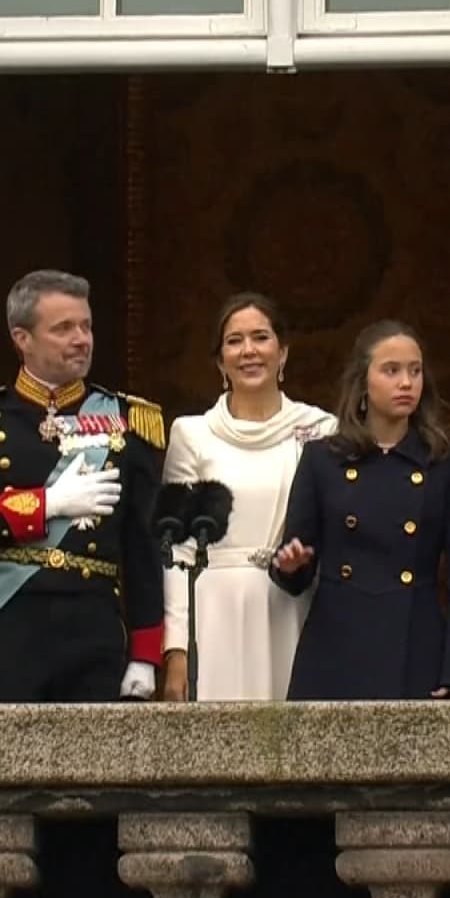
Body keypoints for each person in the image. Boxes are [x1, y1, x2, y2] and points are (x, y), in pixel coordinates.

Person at [0, 269, 165, 703]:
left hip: (94, 633)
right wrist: (45, 505)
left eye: (86, 326)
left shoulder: (129, 421)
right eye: (63, 328)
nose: (81, 338)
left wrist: (146, 653)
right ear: (23, 338)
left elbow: (144, 545)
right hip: (8, 629)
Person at [270, 320, 450, 700]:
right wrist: (291, 564)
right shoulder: (323, 459)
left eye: (415, 371)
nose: (407, 383)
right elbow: (296, 565)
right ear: (362, 381)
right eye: (392, 370)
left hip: (416, 646)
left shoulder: (447, 463)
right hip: (335, 646)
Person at [161, 293, 336, 702]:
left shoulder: (321, 429)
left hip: (294, 606)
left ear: (283, 352)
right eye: (234, 341)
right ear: (220, 362)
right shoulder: (192, 434)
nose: (249, 351)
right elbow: (176, 551)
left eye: (261, 337)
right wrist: (176, 649)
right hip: (214, 612)